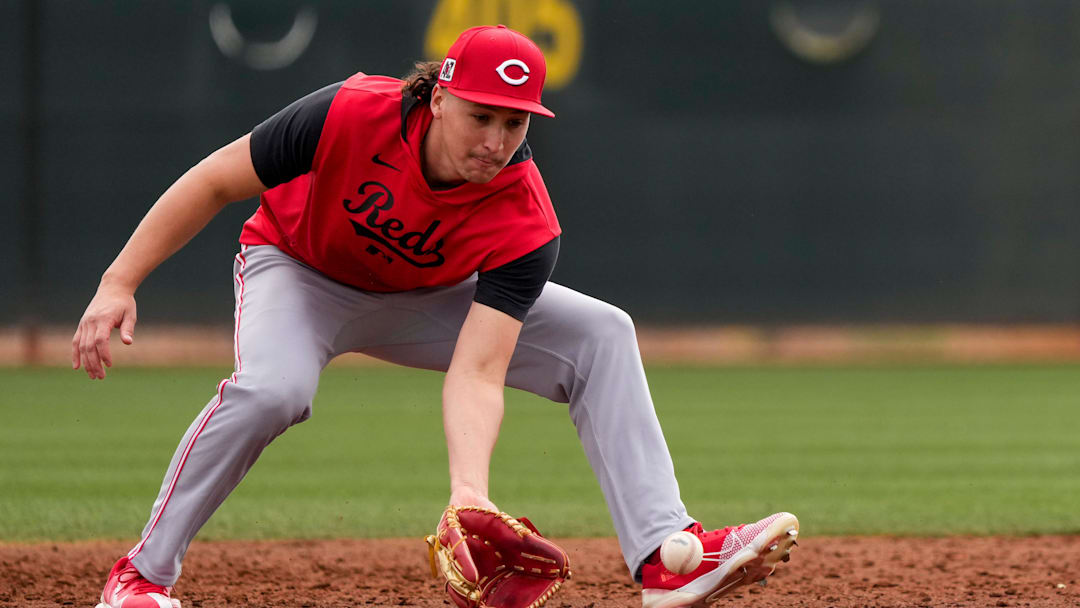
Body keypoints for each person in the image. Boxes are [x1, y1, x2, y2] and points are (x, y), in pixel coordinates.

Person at [72, 25, 798, 608]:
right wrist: (118, 282)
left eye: (514, 123)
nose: (495, 141)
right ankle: (140, 577)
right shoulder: (350, 112)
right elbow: (214, 181)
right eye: (481, 116)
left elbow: (478, 371)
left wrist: (468, 494)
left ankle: (666, 556)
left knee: (601, 333)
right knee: (274, 390)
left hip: (425, 299)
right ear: (440, 98)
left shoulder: (524, 216)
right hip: (298, 271)